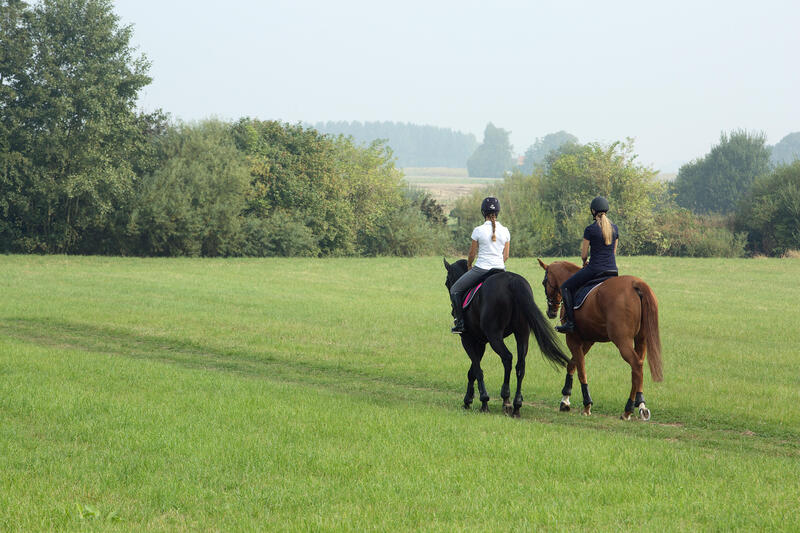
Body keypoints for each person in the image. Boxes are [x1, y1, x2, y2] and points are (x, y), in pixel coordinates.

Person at [555, 196, 619, 334]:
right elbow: (613, 252)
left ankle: (570, 323)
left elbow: (584, 255)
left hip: (595, 269)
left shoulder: (590, 229)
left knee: (565, 287)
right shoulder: (615, 229)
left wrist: (584, 263)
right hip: (613, 270)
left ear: (593, 211)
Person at [449, 196, 510, 334]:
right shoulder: (505, 230)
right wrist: (498, 264)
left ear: (483, 212)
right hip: (500, 269)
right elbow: (505, 256)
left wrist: (469, 266)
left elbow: (471, 254)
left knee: (455, 289)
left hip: (481, 269)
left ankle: (460, 323)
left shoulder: (478, 230)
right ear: (498, 212)